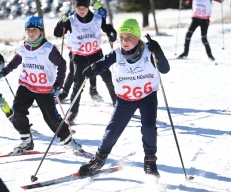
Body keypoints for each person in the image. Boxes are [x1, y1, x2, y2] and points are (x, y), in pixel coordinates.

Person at [78, 18, 170, 177]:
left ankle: (150, 162)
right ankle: (99, 160)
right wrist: (92, 69)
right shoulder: (117, 53)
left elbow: (165, 69)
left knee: (149, 128)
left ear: (138, 37)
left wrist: (159, 51)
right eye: (121, 37)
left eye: (129, 37)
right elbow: (102, 64)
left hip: (147, 97)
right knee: (112, 130)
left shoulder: (149, 51)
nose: (124, 41)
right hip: (125, 99)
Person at [0, 16, 83, 155]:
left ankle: (68, 141)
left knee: (51, 118)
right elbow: (15, 61)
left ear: (41, 31)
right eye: (28, 30)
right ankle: (26, 140)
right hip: (26, 85)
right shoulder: (23, 47)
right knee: (17, 112)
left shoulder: (48, 48)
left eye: (34, 30)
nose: (31, 33)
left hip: (44, 88)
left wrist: (58, 84)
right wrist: (4, 71)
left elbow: (62, 64)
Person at [53, 0, 117, 123]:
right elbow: (56, 33)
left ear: (88, 8)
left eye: (84, 7)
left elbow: (107, 28)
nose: (82, 10)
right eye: (79, 8)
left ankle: (117, 104)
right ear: (75, 8)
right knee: (77, 84)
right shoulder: (71, 21)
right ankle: (73, 111)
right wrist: (61, 24)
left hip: (96, 56)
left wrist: (111, 32)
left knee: (108, 78)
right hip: (79, 57)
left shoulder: (97, 19)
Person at [57, 1, 108, 104]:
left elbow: (101, 17)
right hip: (75, 48)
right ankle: (65, 92)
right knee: (73, 72)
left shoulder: (88, 8)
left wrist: (100, 8)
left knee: (93, 68)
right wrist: (64, 16)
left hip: (89, 47)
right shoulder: (72, 8)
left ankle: (93, 90)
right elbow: (65, 19)